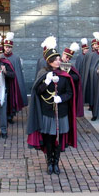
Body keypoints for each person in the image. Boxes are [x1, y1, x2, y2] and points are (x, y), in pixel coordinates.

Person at [27, 36, 77, 175]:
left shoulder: (64, 74)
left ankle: (56, 162)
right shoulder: (43, 73)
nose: (58, 60)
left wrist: (61, 98)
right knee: (49, 138)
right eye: (55, 59)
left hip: (61, 112)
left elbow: (69, 93)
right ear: (49, 61)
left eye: (58, 58)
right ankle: (49, 162)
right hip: (47, 112)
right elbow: (37, 91)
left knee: (59, 139)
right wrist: (47, 82)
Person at [3, 32, 28, 123]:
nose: (7, 48)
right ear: (4, 47)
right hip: (3, 82)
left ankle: (10, 116)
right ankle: (2, 116)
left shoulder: (16, 58)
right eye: (6, 46)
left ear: (11, 48)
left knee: (12, 99)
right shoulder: (0, 56)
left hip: (13, 82)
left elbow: (18, 72)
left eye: (9, 47)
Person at [61, 42, 84, 117]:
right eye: (66, 56)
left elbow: (77, 77)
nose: (67, 59)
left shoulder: (71, 66)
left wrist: (69, 76)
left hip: (67, 92)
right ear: (63, 54)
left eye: (69, 58)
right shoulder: (57, 63)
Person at [80, 32, 99, 111]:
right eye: (95, 44)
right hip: (90, 77)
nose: (96, 46)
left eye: (97, 44)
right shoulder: (89, 54)